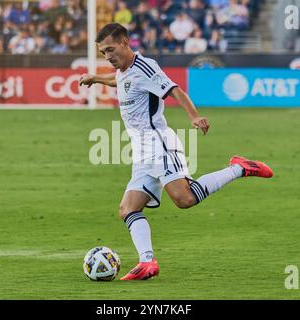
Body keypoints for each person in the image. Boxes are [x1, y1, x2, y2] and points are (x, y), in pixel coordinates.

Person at [79, 23, 273, 281]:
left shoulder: (146, 67)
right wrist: (96, 78)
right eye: (103, 52)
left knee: (185, 199)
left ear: (126, 43)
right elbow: (121, 82)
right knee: (128, 209)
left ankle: (239, 168)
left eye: (111, 50)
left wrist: (194, 116)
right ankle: (147, 263)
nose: (107, 56)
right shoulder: (122, 70)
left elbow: (175, 90)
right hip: (141, 152)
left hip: (159, 143)